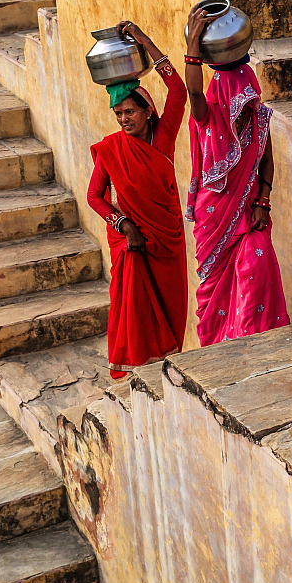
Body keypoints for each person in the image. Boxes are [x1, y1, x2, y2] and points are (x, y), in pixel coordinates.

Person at [87, 22, 188, 378]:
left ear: (146, 111)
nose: (124, 120)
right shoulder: (111, 149)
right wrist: (123, 224)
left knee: (171, 308)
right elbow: (94, 196)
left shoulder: (163, 140)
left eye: (129, 112)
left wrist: (146, 42)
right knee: (132, 308)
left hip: (167, 240)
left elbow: (178, 90)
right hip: (133, 244)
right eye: (118, 114)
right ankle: (133, 372)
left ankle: (164, 370)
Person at [184, 5, 290, 346]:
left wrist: (263, 201)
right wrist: (193, 47)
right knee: (214, 296)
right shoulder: (209, 118)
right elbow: (195, 92)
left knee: (255, 271)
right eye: (240, 102)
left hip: (249, 214)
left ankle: (254, 345)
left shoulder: (259, 118)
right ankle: (220, 350)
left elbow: (267, 162)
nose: (246, 108)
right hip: (214, 217)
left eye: (250, 100)